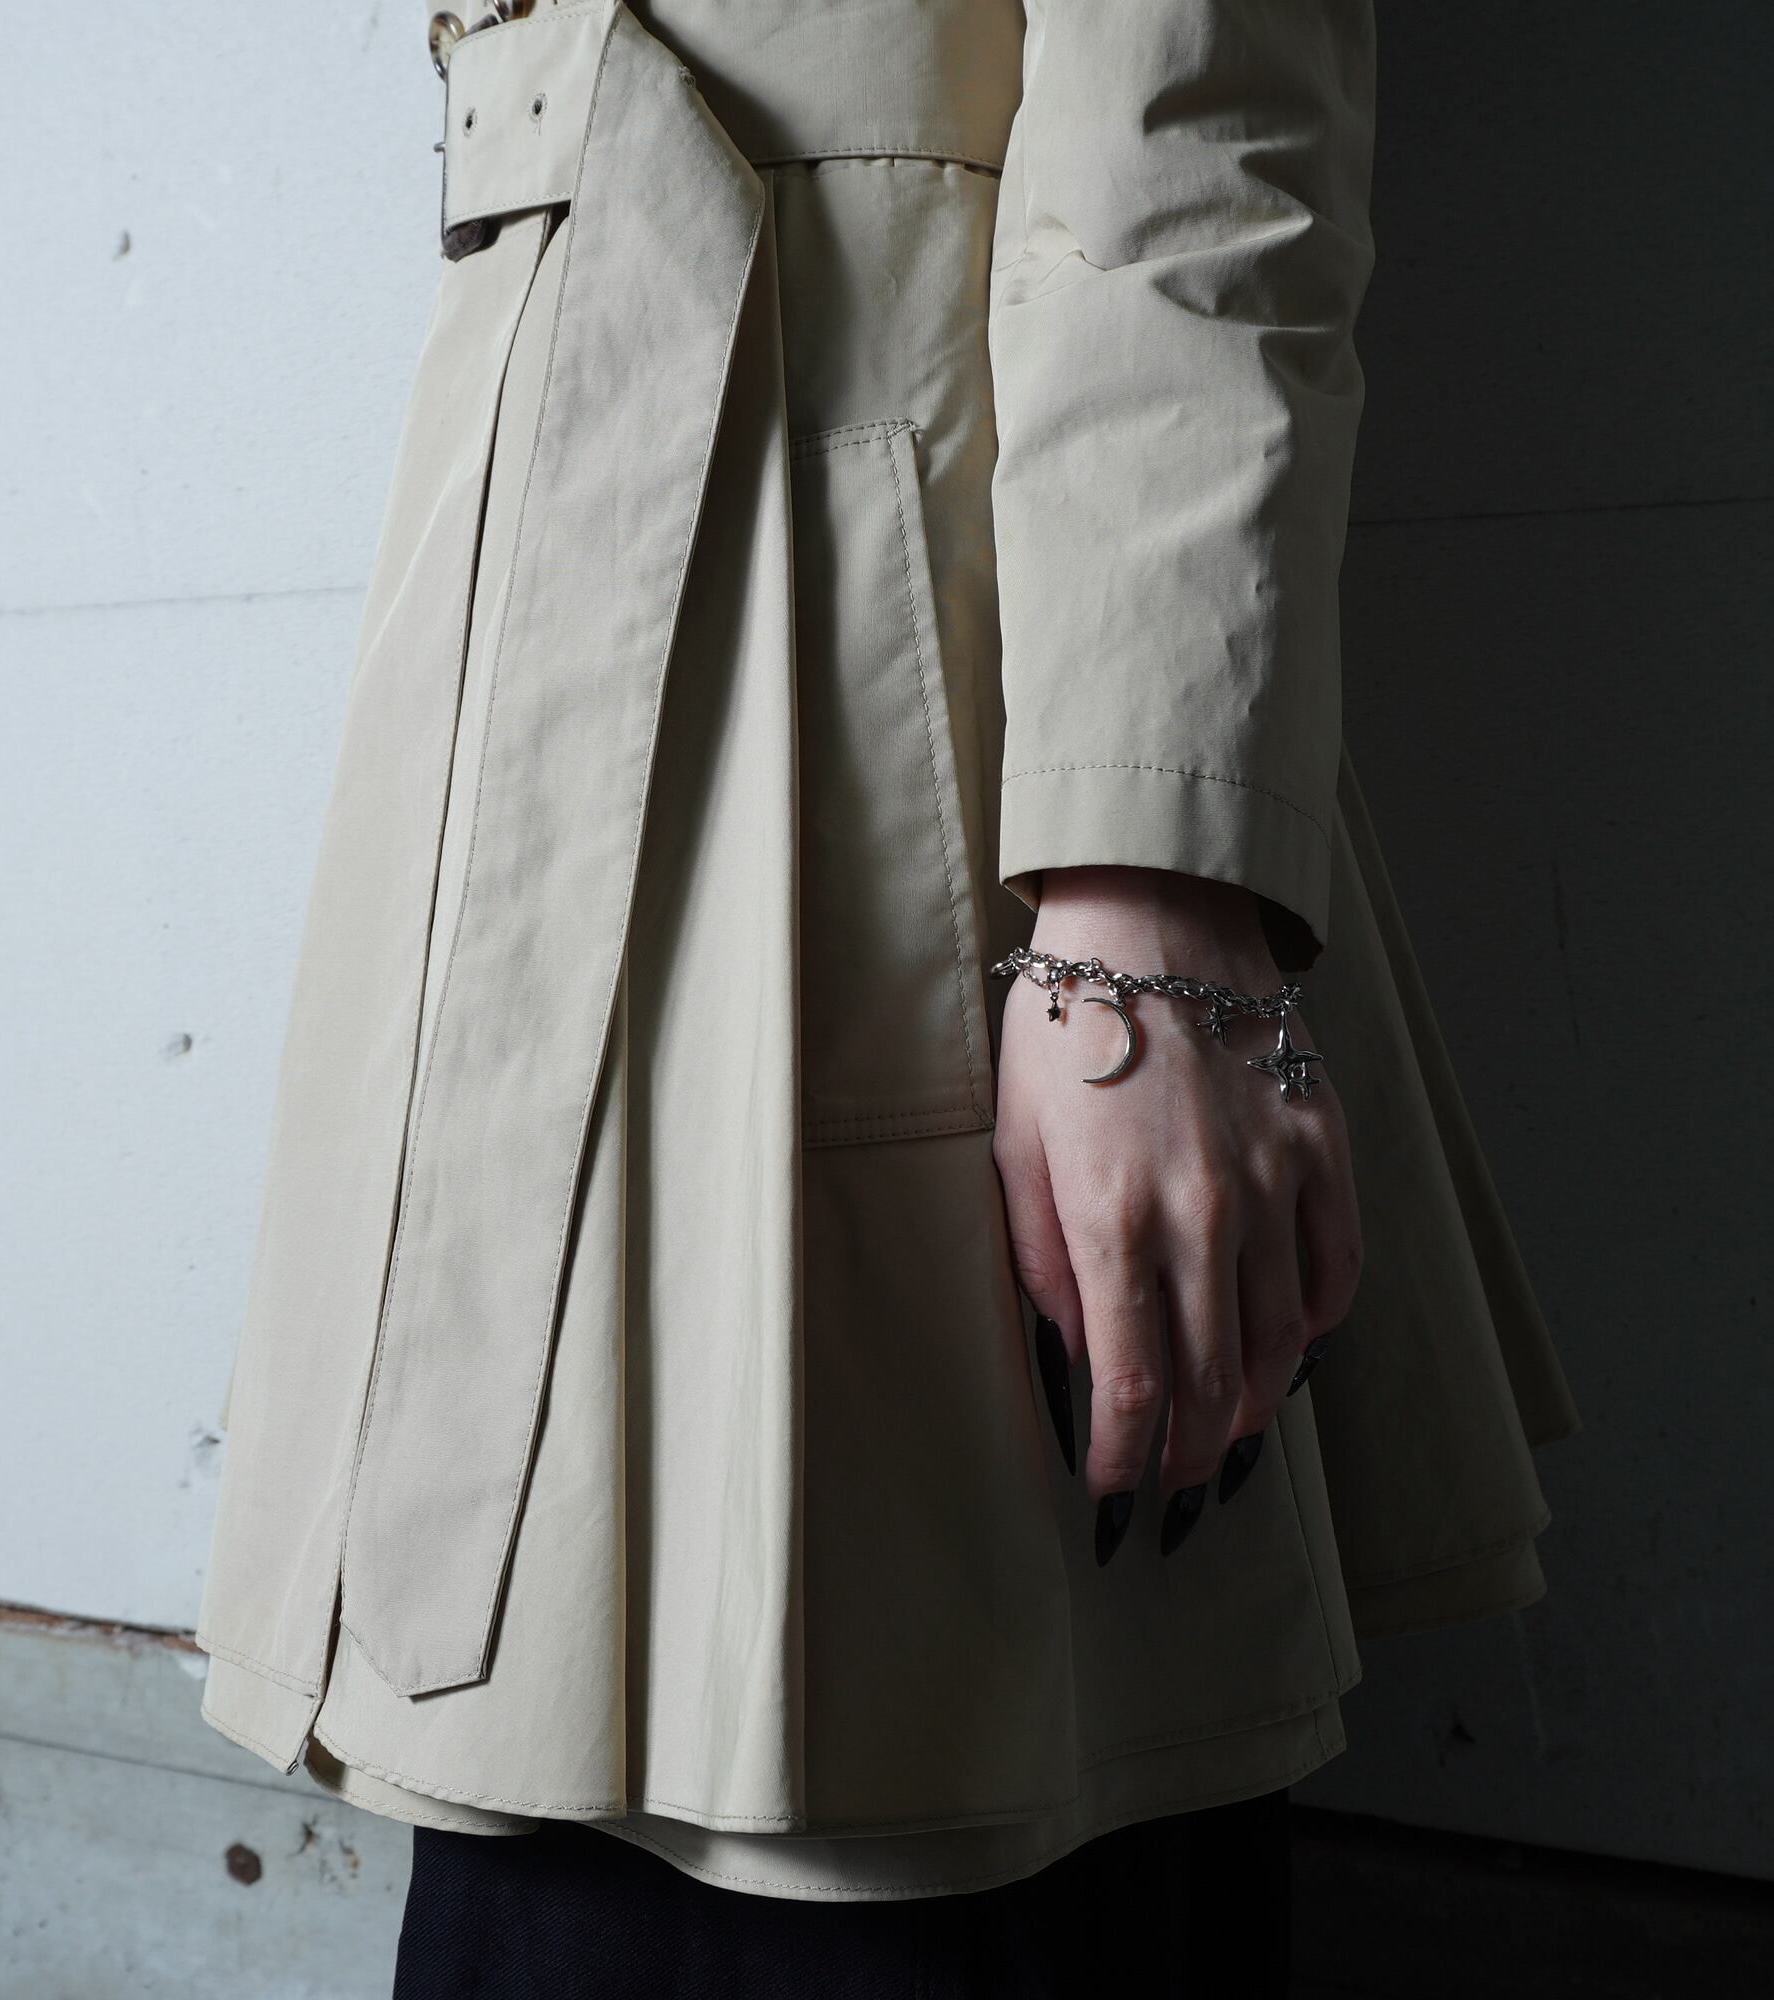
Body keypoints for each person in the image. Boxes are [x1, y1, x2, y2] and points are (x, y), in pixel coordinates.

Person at [193, 1, 1579, 1989]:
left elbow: (1201, 105)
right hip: (545, 554)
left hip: (880, 651)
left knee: (909, 1821)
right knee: (557, 1778)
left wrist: (1144, 893)